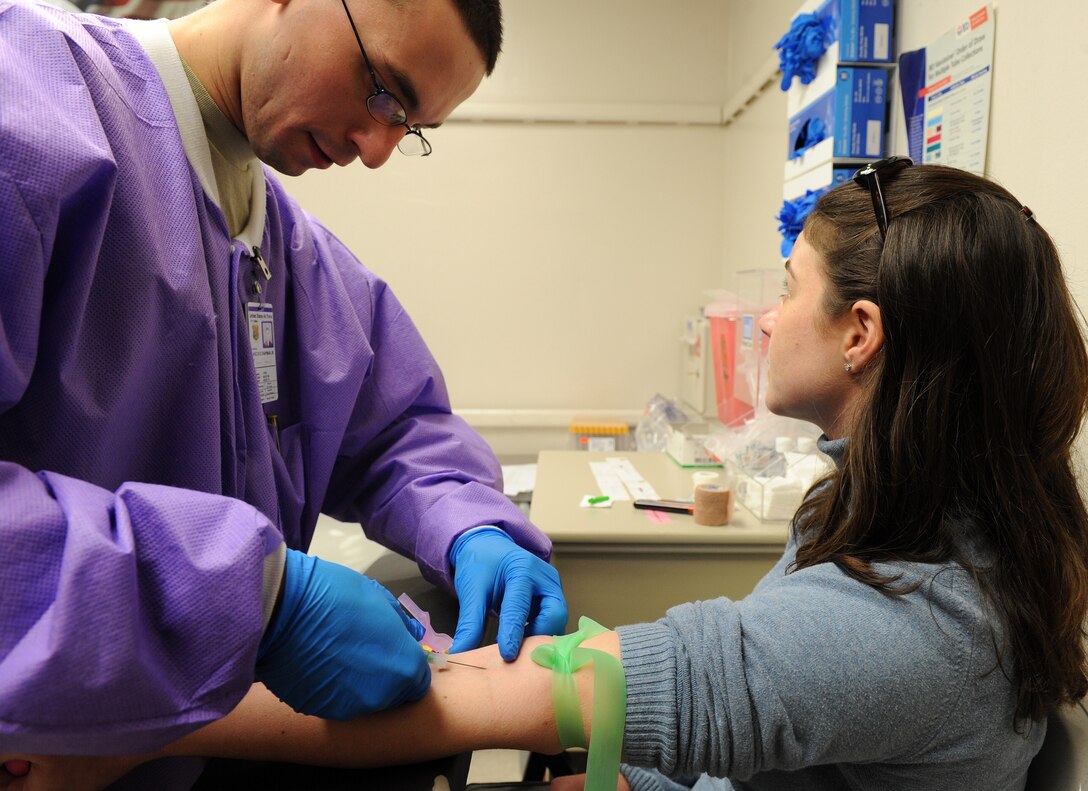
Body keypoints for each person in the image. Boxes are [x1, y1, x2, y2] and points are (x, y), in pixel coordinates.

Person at [39, 160, 1088, 791]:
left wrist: (133, 720)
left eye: (786, 288)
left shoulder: (905, 624)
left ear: (860, 333)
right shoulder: (894, 516)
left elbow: (508, 702)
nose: (765, 317)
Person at [0, 0, 567, 786]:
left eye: (409, 127)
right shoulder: (29, 101)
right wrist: (253, 601)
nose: (375, 150)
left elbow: (394, 427)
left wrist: (473, 526)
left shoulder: (288, 250)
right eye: (382, 91)